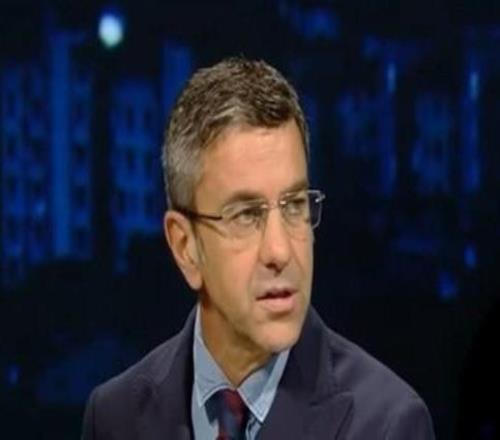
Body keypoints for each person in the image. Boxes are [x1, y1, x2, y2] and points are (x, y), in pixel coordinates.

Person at [82, 58, 435, 439]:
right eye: (246, 215)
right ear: (185, 247)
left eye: (294, 205)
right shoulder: (114, 417)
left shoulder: (387, 424)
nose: (280, 252)